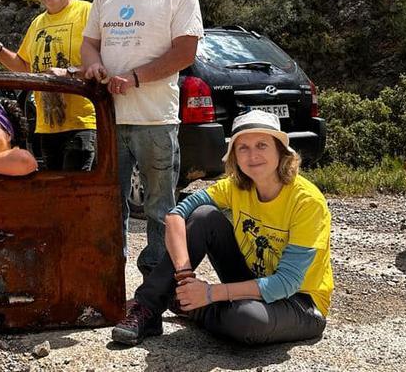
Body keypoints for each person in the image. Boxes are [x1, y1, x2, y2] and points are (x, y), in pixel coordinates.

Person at [111, 110, 333, 346]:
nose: (252, 155)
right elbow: (176, 216)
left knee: (247, 321)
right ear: (235, 157)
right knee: (204, 216)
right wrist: (185, 275)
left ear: (280, 150)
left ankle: (192, 307)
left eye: (261, 145)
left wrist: (211, 293)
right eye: (243, 148)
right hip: (253, 280)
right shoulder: (236, 186)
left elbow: (286, 282)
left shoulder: (307, 201)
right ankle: (148, 308)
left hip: (299, 302)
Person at [80, 0, 204, 276]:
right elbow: (89, 45)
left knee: (160, 208)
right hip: (108, 119)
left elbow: (185, 53)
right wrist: (93, 66)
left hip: (156, 120)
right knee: (107, 204)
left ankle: (155, 289)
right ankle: (109, 282)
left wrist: (135, 78)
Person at [0, 0, 96, 171]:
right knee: (55, 195)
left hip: (83, 124)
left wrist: (68, 73)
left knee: (74, 196)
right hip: (46, 128)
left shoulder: (89, 12)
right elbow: (25, 67)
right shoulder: (37, 23)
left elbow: (104, 64)